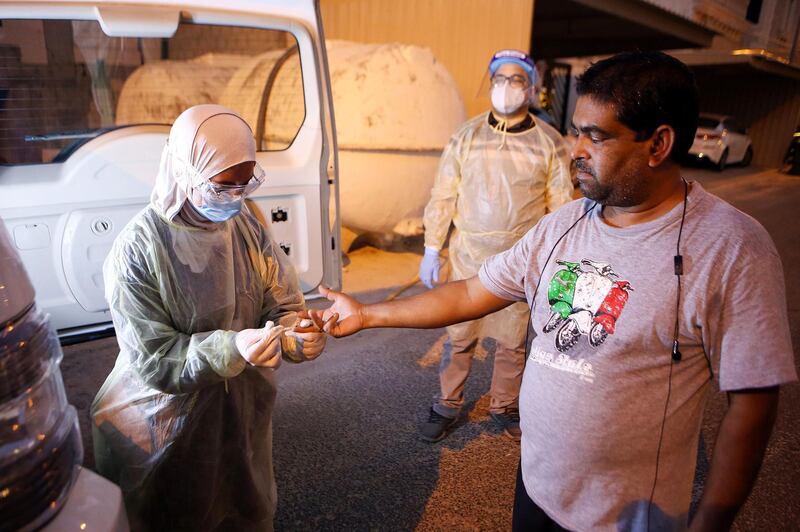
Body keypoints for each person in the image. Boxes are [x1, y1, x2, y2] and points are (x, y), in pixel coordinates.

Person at [311, 52, 797, 530]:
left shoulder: (731, 249)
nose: (577, 149)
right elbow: (468, 294)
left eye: (596, 135)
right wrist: (370, 314)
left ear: (658, 144)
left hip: (624, 517)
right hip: (537, 490)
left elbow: (752, 401)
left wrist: (711, 523)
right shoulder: (562, 226)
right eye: (577, 131)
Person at [91, 104, 328, 531]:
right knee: (174, 510)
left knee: (241, 501)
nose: (236, 198)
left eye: (245, 185)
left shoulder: (246, 226)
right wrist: (230, 346)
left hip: (239, 405)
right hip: (164, 417)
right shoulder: (138, 251)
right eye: (223, 187)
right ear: (184, 172)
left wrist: (296, 335)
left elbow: (281, 302)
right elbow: (154, 358)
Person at [418, 49, 573, 442]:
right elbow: (443, 194)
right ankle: (449, 402)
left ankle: (504, 405)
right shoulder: (466, 136)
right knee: (460, 334)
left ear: (532, 87)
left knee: (512, 340)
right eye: (499, 80)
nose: (506, 88)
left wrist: (560, 258)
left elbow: (562, 206)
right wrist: (432, 247)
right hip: (468, 255)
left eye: (516, 79)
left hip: (519, 260)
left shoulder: (549, 143)